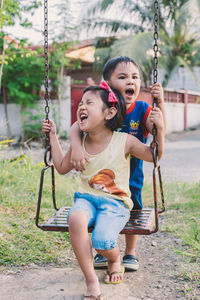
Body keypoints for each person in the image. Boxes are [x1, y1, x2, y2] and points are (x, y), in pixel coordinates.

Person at [43, 82, 165, 300]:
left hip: (115, 203)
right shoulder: (80, 143)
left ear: (109, 112)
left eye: (89, 102)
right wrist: (52, 136)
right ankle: (91, 280)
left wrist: (161, 131)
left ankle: (114, 259)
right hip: (86, 199)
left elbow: (154, 157)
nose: (82, 106)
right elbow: (61, 167)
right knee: (76, 219)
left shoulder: (125, 141)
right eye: (81, 103)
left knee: (102, 242)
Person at [69, 56, 167, 272]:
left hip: (132, 171)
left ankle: (130, 252)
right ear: (108, 85)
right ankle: (103, 251)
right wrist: (76, 147)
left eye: (135, 77)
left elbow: (157, 135)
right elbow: (77, 126)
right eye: (122, 77)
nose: (130, 81)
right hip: (104, 171)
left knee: (134, 209)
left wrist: (161, 108)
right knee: (102, 206)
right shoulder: (105, 106)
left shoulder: (142, 108)